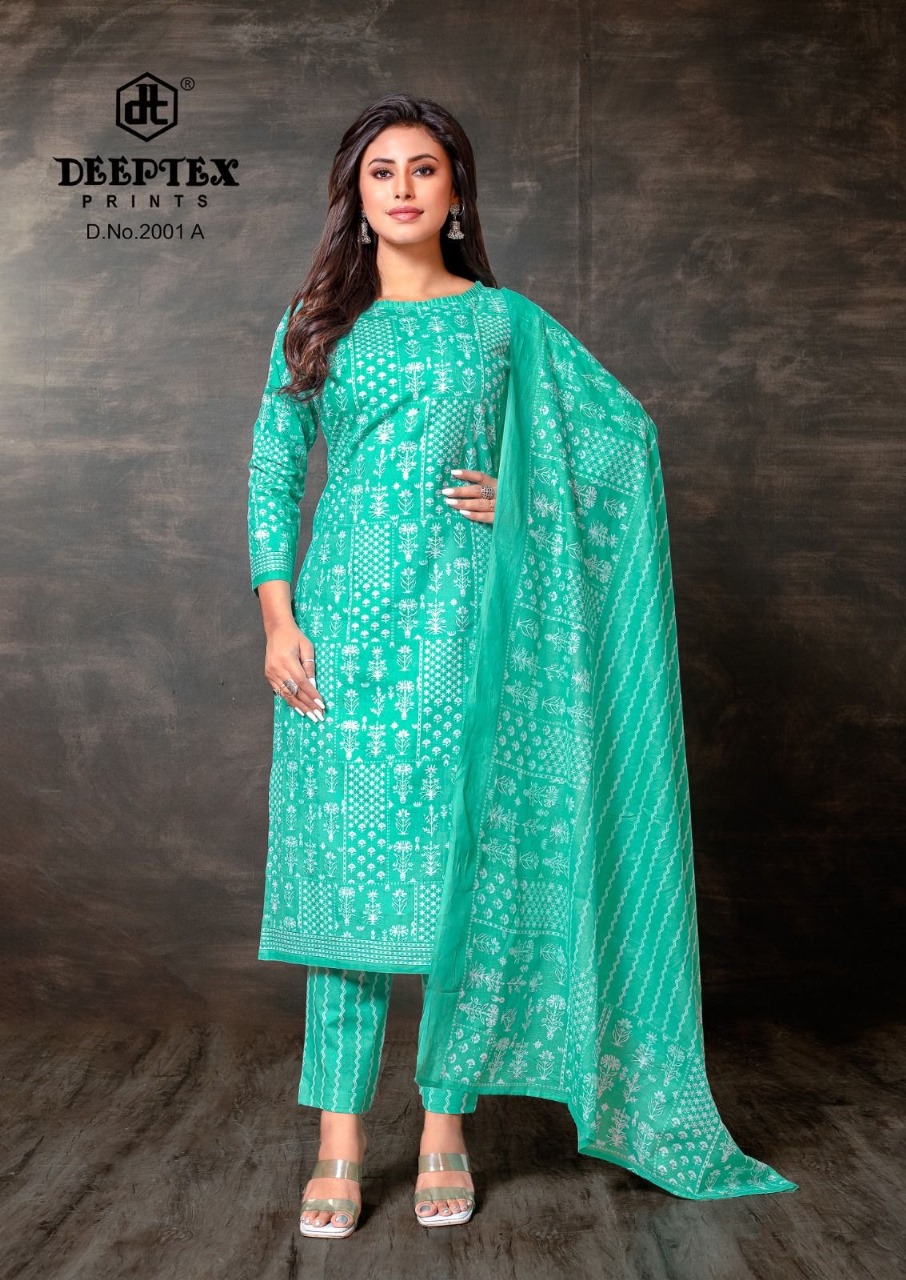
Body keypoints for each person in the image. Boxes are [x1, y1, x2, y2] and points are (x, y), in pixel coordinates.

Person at [247, 93, 798, 1241]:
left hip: (467, 627)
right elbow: (273, 464)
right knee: (344, 889)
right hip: (340, 629)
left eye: (425, 168)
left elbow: (620, 443)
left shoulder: (504, 323)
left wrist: (530, 502)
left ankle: (445, 1126)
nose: (403, 187)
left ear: (457, 190)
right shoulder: (316, 320)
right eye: (382, 170)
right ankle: (338, 1141)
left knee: (460, 875)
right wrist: (277, 616)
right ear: (355, 193)